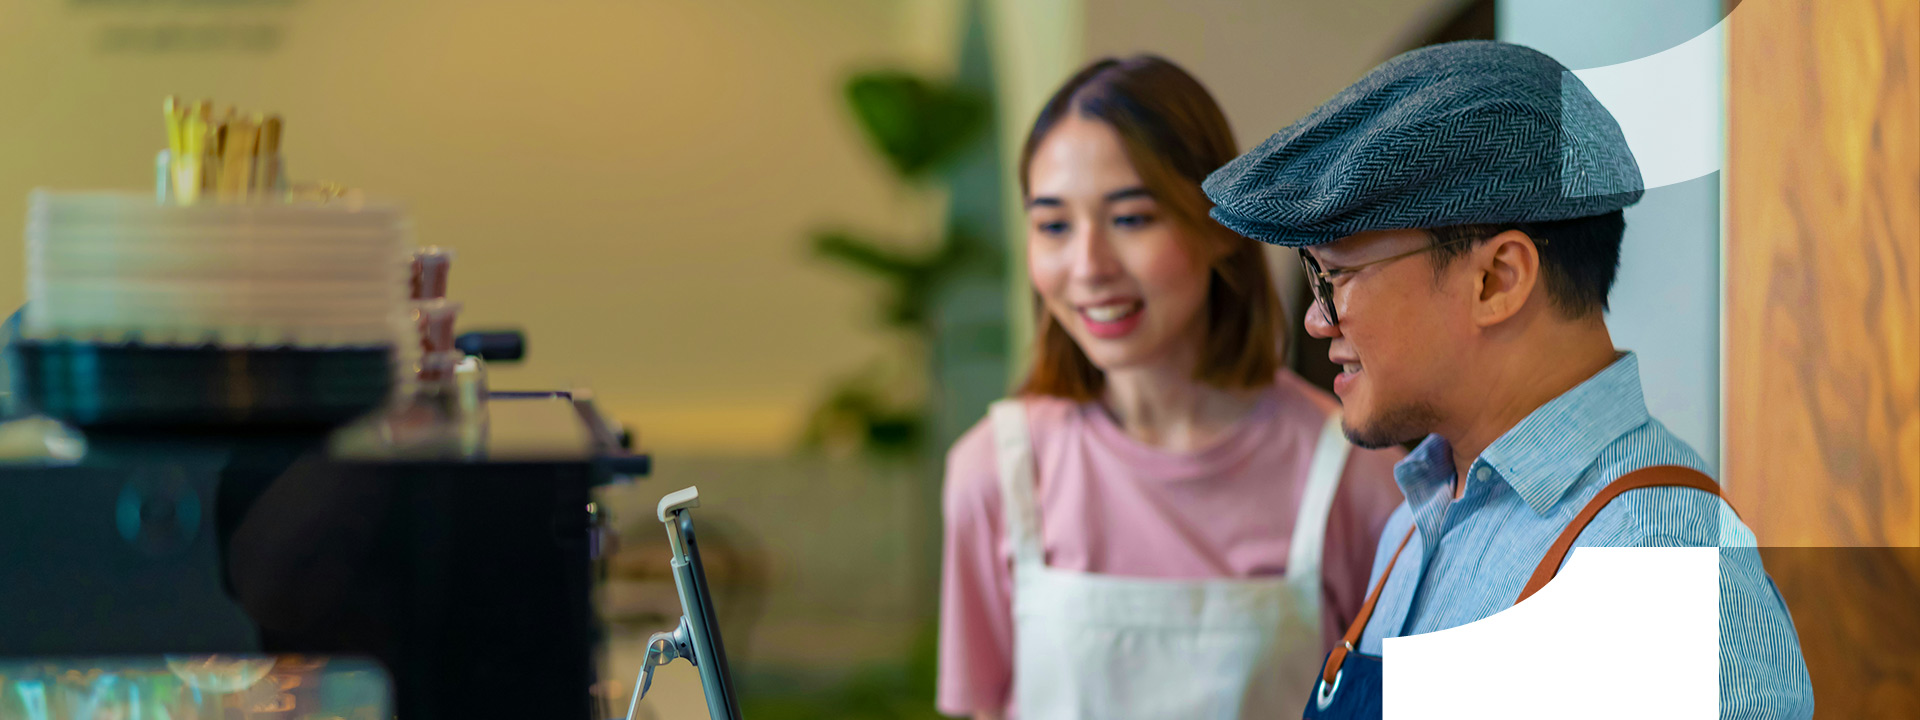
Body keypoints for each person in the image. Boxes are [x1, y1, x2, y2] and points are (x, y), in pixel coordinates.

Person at [1203, 40, 1813, 718]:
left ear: (1498, 279)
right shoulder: (1423, 517)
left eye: (1336, 276)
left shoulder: (1654, 568)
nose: (1318, 320)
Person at [936, 55, 1405, 720]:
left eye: (1131, 218)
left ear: (1218, 229)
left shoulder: (1355, 473)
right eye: (1054, 225)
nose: (1089, 267)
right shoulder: (994, 471)